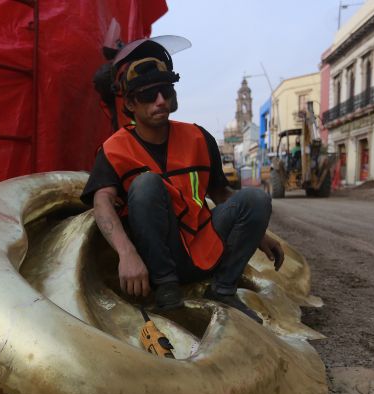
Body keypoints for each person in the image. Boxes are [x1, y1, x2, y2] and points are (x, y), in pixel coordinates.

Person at [81, 38, 284, 323]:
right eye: (149, 95)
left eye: (165, 91)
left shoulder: (198, 137)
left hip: (205, 243)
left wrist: (259, 232)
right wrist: (126, 254)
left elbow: (222, 193)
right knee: (146, 183)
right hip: (158, 258)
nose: (160, 101)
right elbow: (101, 200)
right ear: (129, 103)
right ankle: (167, 293)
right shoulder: (113, 149)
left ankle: (223, 289)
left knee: (257, 197)